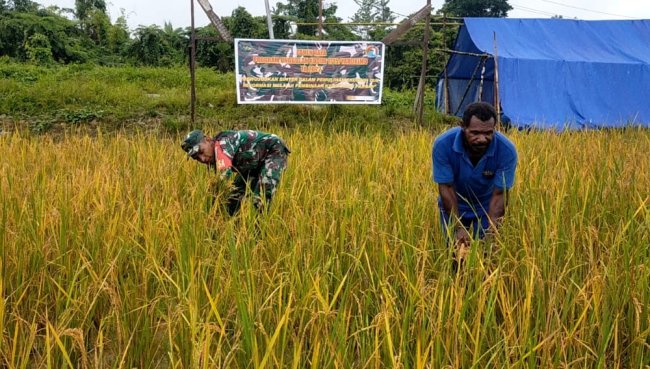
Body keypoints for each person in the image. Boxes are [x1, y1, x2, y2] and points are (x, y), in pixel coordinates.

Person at [432, 102, 518, 248]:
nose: (482, 139)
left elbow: (499, 194)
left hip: (486, 207)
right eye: (475, 133)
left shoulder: (506, 151)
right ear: (463, 126)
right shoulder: (443, 145)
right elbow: (446, 187)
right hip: (454, 203)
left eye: (488, 133)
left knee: (487, 253)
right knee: (454, 253)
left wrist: (491, 232)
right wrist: (458, 227)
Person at [181, 129, 290, 215]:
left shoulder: (222, 144)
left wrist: (211, 203)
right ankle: (229, 227)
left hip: (273, 150)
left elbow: (225, 175)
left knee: (261, 198)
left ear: (208, 140)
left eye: (201, 152)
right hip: (251, 163)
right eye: (197, 158)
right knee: (233, 199)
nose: (203, 159)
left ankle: (258, 235)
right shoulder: (212, 159)